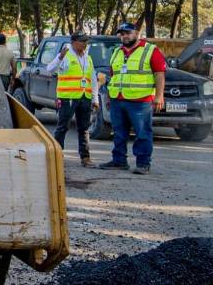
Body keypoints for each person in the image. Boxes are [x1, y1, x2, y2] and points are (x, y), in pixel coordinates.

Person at [99, 22, 166, 174]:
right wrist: (109, 97)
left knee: (142, 133)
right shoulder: (117, 52)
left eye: (128, 33)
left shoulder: (150, 50)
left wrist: (159, 96)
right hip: (117, 99)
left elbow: (159, 74)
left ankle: (143, 164)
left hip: (140, 101)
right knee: (119, 133)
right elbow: (114, 76)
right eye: (122, 34)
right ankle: (119, 161)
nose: (124, 36)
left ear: (136, 33)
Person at [46, 31, 96, 167]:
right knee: (63, 127)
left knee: (84, 128)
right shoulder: (65, 55)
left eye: (86, 41)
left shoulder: (88, 57)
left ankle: (85, 157)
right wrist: (59, 58)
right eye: (82, 41)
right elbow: (49, 69)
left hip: (84, 97)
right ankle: (56, 155)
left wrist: (95, 98)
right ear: (74, 43)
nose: (85, 44)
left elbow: (93, 79)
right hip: (67, 98)